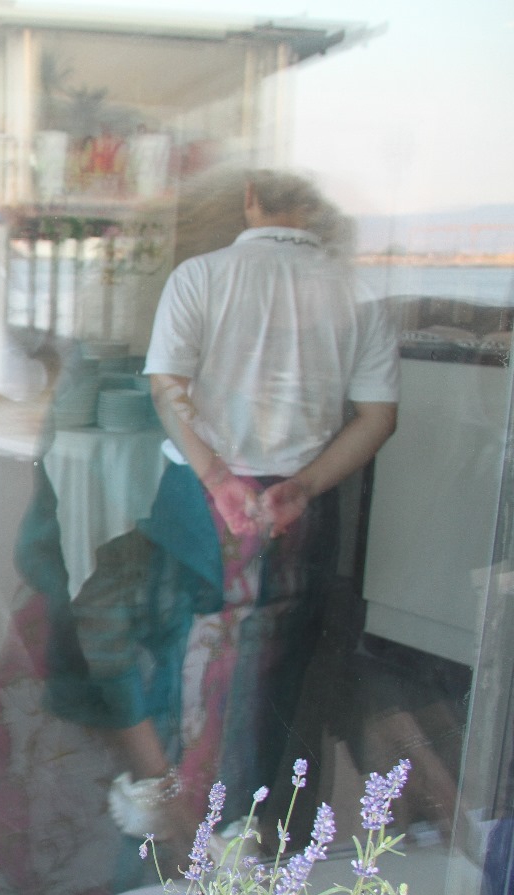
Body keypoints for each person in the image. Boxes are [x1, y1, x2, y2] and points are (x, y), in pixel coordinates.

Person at [117, 169, 399, 841]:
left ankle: (169, 822)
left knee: (181, 649)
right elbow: (378, 417)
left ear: (250, 199)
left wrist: (217, 476)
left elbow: (166, 387)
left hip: (201, 494)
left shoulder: (201, 276)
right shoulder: (356, 292)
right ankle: (248, 825)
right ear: (312, 207)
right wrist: (303, 486)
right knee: (276, 666)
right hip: (299, 499)